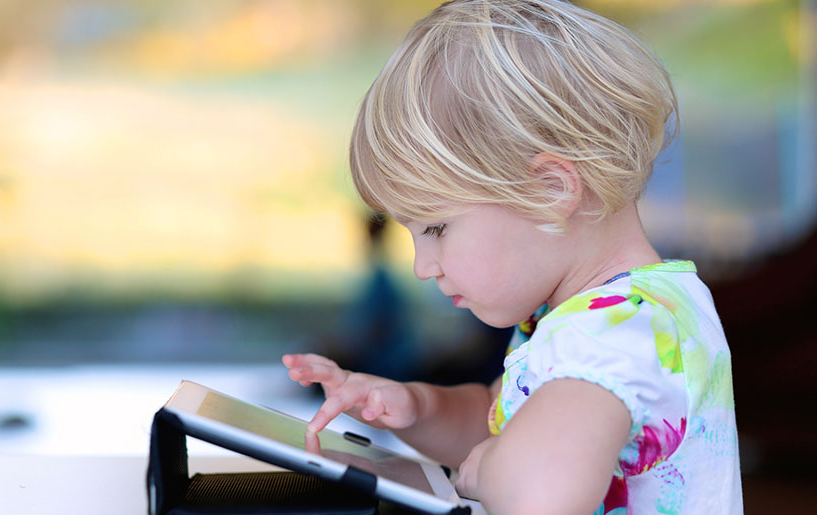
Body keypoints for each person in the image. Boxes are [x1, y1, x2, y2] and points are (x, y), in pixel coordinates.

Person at [282, 0, 742, 512]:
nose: (422, 266)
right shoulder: (594, 319)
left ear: (550, 190)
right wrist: (416, 408)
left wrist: (492, 468)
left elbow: (539, 494)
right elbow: (498, 420)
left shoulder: (614, 335)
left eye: (436, 227)